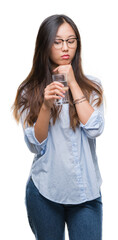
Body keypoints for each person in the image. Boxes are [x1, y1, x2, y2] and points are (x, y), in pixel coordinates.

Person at [12, 14, 105, 240]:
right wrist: (45, 106)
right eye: (58, 41)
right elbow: (35, 145)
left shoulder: (91, 87)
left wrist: (73, 83)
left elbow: (95, 128)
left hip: (86, 195)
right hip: (45, 192)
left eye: (71, 41)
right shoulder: (29, 90)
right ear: (46, 45)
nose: (65, 47)